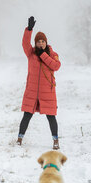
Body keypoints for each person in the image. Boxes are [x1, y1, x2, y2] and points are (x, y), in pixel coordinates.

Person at [17, 16, 61, 150]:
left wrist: (43, 54)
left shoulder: (52, 54)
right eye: (38, 42)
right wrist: (29, 30)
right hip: (32, 92)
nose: (40, 43)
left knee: (51, 117)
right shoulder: (31, 54)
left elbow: (56, 66)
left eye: (43, 41)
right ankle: (19, 139)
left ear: (46, 42)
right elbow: (25, 43)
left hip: (47, 92)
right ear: (35, 43)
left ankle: (55, 140)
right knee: (26, 115)